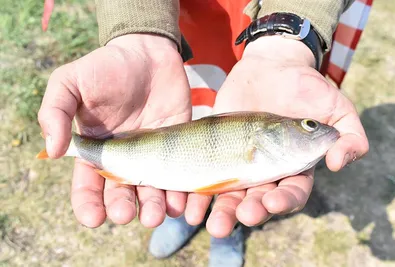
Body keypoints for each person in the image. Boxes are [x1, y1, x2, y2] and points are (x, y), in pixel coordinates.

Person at [38, 0, 370, 266]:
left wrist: (287, 42)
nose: (315, 129)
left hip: (268, 44)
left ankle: (227, 228)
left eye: (308, 124)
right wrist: (137, 29)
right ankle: (180, 213)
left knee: (242, 201)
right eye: (307, 125)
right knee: (185, 105)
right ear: (270, 134)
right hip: (185, 29)